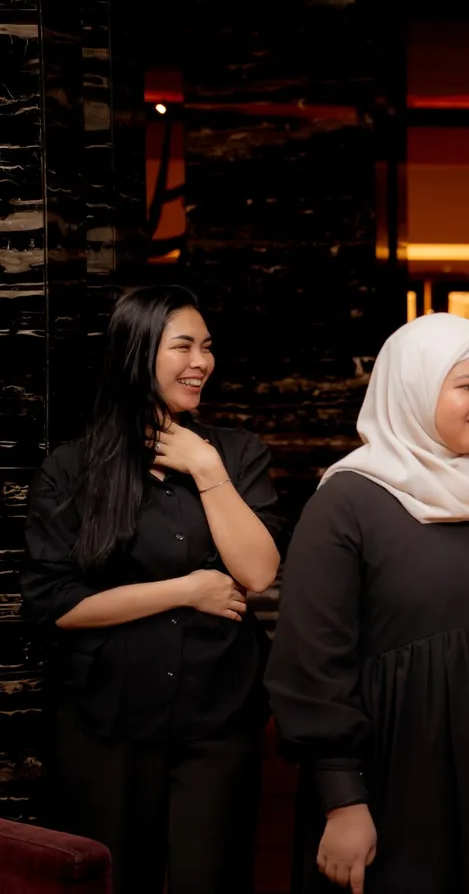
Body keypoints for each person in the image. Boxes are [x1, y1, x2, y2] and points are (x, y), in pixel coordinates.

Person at [265, 314, 469, 894]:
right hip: (399, 782)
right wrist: (342, 799)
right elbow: (311, 663)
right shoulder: (348, 501)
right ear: (412, 388)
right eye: (466, 386)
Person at [22, 285, 284, 894]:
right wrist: (187, 589)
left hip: (217, 715)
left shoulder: (237, 454)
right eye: (183, 346)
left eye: (207, 347)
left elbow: (257, 572)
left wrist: (207, 468)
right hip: (104, 720)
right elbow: (55, 603)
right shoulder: (73, 467)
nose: (201, 362)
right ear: (137, 353)